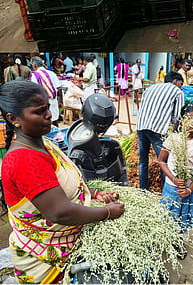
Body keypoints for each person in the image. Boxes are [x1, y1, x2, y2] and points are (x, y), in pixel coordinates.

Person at [0, 80, 125, 283]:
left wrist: (93, 194)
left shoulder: (44, 144)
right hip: (45, 265)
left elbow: (62, 185)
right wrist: (108, 212)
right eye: (39, 111)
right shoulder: (23, 160)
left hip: (69, 246)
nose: (49, 115)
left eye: (48, 107)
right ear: (13, 118)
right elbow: (60, 212)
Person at [158, 103, 193, 233]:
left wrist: (190, 189)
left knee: (183, 219)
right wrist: (174, 179)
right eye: (190, 118)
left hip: (189, 189)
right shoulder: (173, 138)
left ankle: (179, 243)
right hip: (171, 186)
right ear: (182, 120)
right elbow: (161, 160)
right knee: (168, 218)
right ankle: (170, 241)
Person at [137, 71, 186, 190]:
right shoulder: (177, 92)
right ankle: (167, 191)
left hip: (141, 126)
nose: (181, 87)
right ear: (175, 81)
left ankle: (143, 191)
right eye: (180, 84)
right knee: (164, 162)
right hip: (157, 129)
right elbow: (179, 116)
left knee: (143, 161)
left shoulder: (150, 88)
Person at [28, 57, 59, 124]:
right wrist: (61, 101)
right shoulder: (52, 73)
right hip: (53, 100)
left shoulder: (34, 75)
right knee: (54, 119)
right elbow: (59, 88)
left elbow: (34, 90)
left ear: (34, 65)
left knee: (45, 122)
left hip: (42, 101)